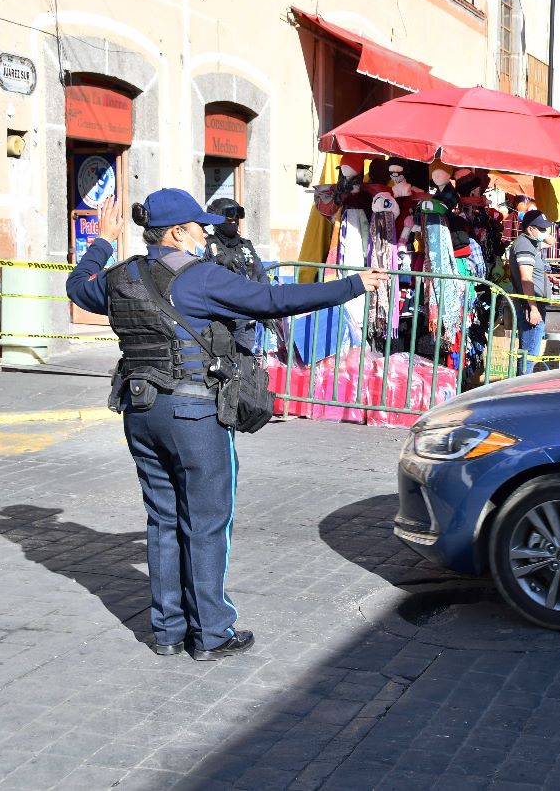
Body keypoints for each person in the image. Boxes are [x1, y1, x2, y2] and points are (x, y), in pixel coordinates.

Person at [66, 188, 385, 660]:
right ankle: (212, 633)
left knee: (163, 520)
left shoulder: (119, 278)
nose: (205, 234)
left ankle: (168, 631)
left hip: (140, 412)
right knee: (206, 523)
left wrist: (104, 241)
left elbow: (78, 287)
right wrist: (352, 285)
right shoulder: (200, 278)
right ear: (177, 233)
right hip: (194, 415)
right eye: (199, 227)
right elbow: (274, 299)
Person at [204, 198, 268, 354]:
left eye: (236, 218)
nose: (233, 222)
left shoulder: (246, 246)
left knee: (244, 359)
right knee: (221, 358)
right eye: (228, 219)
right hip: (220, 317)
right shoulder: (208, 245)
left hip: (246, 316)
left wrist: (267, 304)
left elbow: (260, 274)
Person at [509, 209, 555, 375]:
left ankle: (521, 384)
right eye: (541, 228)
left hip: (534, 303)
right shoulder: (524, 245)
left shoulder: (532, 242)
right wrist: (533, 308)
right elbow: (526, 279)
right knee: (529, 355)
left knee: (529, 353)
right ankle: (521, 387)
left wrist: (543, 233)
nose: (544, 231)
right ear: (530, 228)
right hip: (530, 305)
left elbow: (551, 241)